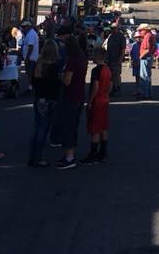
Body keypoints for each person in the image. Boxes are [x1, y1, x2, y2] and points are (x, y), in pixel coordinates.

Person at [56, 34, 88, 170]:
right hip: (79, 94)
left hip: (71, 96)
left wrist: (60, 76)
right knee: (72, 126)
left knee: (68, 126)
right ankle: (69, 155)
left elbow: (67, 81)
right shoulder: (81, 58)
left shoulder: (72, 61)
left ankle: (69, 157)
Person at [28, 39, 61, 167]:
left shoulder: (39, 64)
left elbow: (34, 82)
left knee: (36, 127)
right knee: (43, 128)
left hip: (38, 98)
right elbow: (54, 86)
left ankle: (33, 156)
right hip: (48, 99)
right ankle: (38, 158)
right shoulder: (53, 66)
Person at [81, 47, 111, 165]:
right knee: (103, 126)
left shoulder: (96, 70)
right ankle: (103, 152)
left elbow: (95, 86)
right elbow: (110, 84)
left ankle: (93, 154)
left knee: (95, 129)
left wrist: (90, 100)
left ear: (97, 56)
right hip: (105, 99)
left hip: (97, 100)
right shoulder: (107, 69)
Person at [103, 23, 127, 97]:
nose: (112, 29)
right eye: (112, 28)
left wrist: (120, 59)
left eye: (114, 28)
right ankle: (112, 88)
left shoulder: (121, 37)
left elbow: (123, 49)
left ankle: (118, 88)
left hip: (116, 59)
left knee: (116, 74)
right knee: (110, 75)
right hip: (109, 59)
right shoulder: (110, 36)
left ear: (117, 28)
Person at [136, 24, 155, 100]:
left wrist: (140, 57)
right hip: (149, 57)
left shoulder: (147, 36)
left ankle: (145, 94)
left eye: (141, 30)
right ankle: (148, 93)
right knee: (147, 76)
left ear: (145, 30)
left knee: (144, 76)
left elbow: (147, 49)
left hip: (145, 58)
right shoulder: (150, 35)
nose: (140, 32)